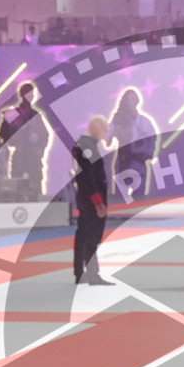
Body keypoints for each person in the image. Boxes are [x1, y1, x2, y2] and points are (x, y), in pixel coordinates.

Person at [72, 116, 111, 286]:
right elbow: (88, 177)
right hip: (91, 200)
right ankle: (92, 273)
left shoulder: (84, 146)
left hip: (85, 198)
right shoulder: (87, 147)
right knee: (91, 236)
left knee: (83, 234)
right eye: (103, 129)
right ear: (95, 127)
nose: (105, 133)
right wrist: (98, 203)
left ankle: (80, 273)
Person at [0, 82, 50, 197]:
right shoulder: (12, 114)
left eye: (32, 94)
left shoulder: (36, 115)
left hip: (33, 158)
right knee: (18, 191)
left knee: (35, 189)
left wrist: (38, 144)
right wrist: (17, 137)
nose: (31, 96)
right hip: (20, 157)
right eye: (28, 93)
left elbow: (45, 135)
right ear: (22, 95)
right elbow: (3, 135)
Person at [106, 89, 158, 199]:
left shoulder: (144, 121)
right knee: (121, 198)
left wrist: (149, 153)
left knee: (139, 198)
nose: (133, 101)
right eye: (130, 99)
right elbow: (108, 137)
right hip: (124, 161)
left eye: (134, 99)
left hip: (139, 162)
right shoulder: (119, 120)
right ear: (125, 102)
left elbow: (153, 138)